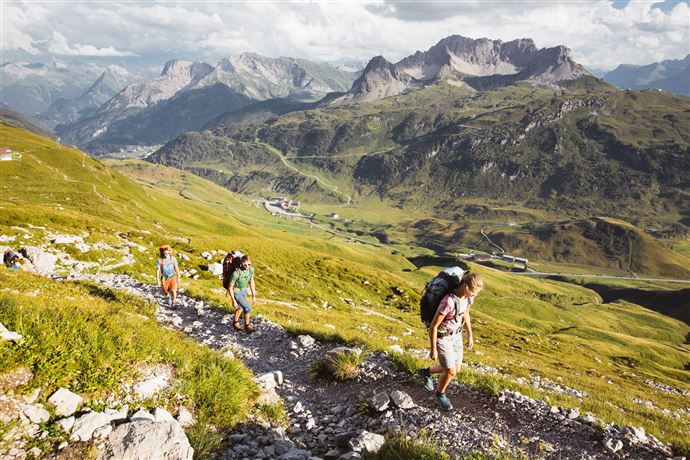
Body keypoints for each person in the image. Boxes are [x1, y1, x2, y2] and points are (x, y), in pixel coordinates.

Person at [417, 271, 484, 410]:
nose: (475, 295)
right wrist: (433, 349)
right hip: (443, 337)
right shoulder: (448, 302)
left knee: (455, 369)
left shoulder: (467, 299)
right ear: (466, 287)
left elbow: (465, 314)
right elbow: (434, 327)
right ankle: (440, 395)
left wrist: (470, 335)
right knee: (451, 372)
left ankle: (425, 372)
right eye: (473, 292)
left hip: (457, 336)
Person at [229, 254, 256, 333]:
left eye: (249, 264)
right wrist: (233, 300)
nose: (247, 266)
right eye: (245, 264)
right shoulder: (236, 273)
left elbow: (252, 282)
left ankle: (235, 323)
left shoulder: (251, 270)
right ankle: (247, 326)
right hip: (237, 291)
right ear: (241, 263)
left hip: (244, 291)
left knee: (240, 307)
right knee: (248, 308)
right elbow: (230, 287)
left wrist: (253, 296)